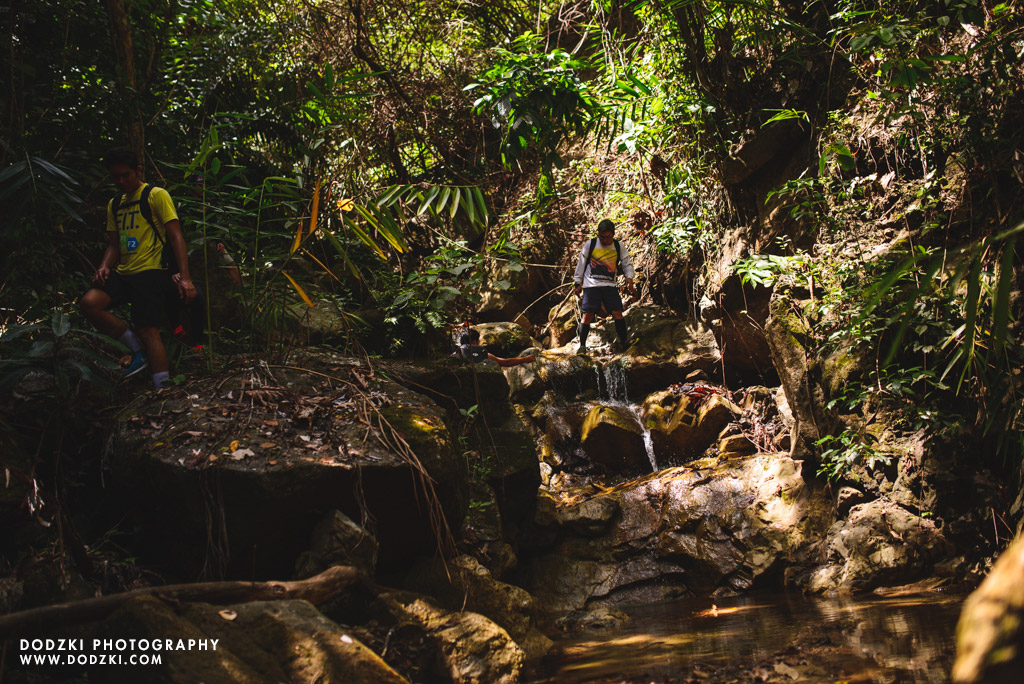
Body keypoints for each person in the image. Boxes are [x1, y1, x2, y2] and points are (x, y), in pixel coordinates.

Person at [78, 147, 197, 389]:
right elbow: (114, 245)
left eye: (126, 175)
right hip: (124, 272)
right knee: (90, 303)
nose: (121, 181)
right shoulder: (115, 204)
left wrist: (185, 278)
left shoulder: (156, 195)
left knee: (148, 329)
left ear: (138, 171)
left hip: (151, 272)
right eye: (116, 177)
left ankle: (162, 388)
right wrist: (103, 266)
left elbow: (175, 237)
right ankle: (136, 350)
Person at [572, 219, 635, 354]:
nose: (604, 240)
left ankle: (624, 342)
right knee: (587, 315)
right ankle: (582, 346)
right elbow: (581, 264)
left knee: (617, 312)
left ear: (613, 234)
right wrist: (578, 283)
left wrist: (629, 278)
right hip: (591, 285)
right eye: (601, 237)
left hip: (609, 286)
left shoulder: (619, 246)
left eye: (607, 237)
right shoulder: (591, 244)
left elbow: (626, 263)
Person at [455, 329, 535, 368]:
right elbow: (505, 363)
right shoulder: (482, 354)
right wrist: (524, 359)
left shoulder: (454, 354)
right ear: (474, 342)